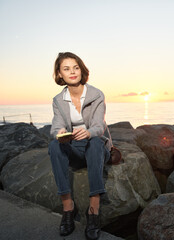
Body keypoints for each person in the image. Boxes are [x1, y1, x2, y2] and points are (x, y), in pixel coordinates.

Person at [48, 52, 112, 240]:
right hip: (75, 149)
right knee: (53, 145)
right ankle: (68, 206)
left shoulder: (96, 94)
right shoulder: (58, 100)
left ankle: (93, 210)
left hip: (95, 148)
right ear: (60, 74)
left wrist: (89, 132)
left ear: (81, 69)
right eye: (66, 69)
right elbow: (57, 125)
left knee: (94, 142)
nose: (72, 72)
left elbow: (99, 125)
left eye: (76, 67)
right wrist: (59, 133)